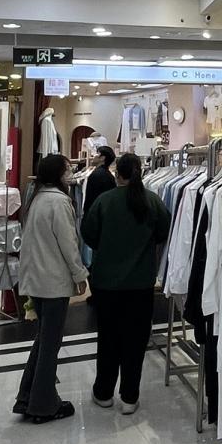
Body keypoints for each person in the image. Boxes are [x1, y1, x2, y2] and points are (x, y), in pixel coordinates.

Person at [81, 151, 170, 414]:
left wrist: (107, 246)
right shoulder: (152, 201)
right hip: (140, 284)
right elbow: (164, 231)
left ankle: (104, 392)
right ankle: (130, 397)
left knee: (108, 338)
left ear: (117, 173)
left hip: (106, 283)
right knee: (136, 341)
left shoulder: (104, 201)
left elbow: (88, 233)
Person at [14, 153, 88, 423]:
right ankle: (43, 404)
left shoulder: (35, 199)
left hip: (36, 280)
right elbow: (68, 243)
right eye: (66, 169)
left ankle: (27, 396)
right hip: (53, 281)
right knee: (50, 344)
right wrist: (79, 274)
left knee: (43, 340)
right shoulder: (59, 202)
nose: (70, 173)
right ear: (57, 173)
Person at [83, 144, 116, 216]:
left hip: (95, 215)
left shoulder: (96, 175)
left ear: (102, 158)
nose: (93, 156)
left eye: (97, 153)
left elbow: (91, 199)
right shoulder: (109, 175)